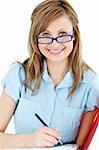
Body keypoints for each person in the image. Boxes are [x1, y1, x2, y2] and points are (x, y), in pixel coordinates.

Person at [0, 0, 99, 149]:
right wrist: (31, 140)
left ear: (74, 36)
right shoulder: (18, 75)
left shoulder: (91, 84)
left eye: (62, 34)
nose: (54, 44)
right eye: (46, 34)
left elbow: (80, 147)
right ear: (35, 38)